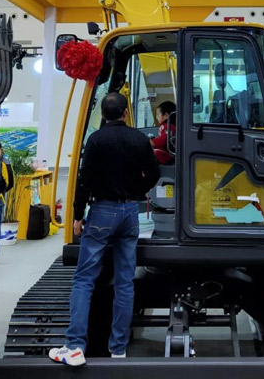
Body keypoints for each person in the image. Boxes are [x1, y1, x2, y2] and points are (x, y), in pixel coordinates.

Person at [49, 92, 160, 367]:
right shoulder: (139, 139)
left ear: (102, 115)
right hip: (130, 213)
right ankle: (118, 349)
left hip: (101, 212)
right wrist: (135, 191)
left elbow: (84, 180)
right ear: (125, 113)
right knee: (125, 282)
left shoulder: (96, 140)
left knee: (84, 279)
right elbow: (155, 173)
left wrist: (77, 215)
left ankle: (75, 346)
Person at [150, 100, 176, 164]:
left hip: (169, 156)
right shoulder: (169, 126)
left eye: (158, 114)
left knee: (154, 152)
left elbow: (163, 140)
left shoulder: (167, 127)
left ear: (166, 115)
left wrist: (152, 142)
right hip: (169, 154)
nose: (156, 117)